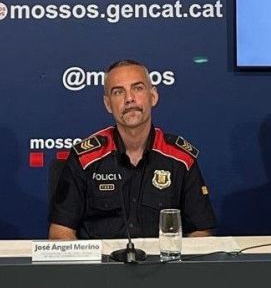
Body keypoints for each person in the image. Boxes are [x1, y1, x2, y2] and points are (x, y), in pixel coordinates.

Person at [49, 59, 216, 239]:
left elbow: (201, 232)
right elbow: (60, 232)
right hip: (101, 266)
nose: (129, 99)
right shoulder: (85, 158)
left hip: (164, 265)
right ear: (107, 104)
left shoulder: (181, 158)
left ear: (153, 97)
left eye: (137, 88)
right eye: (118, 92)